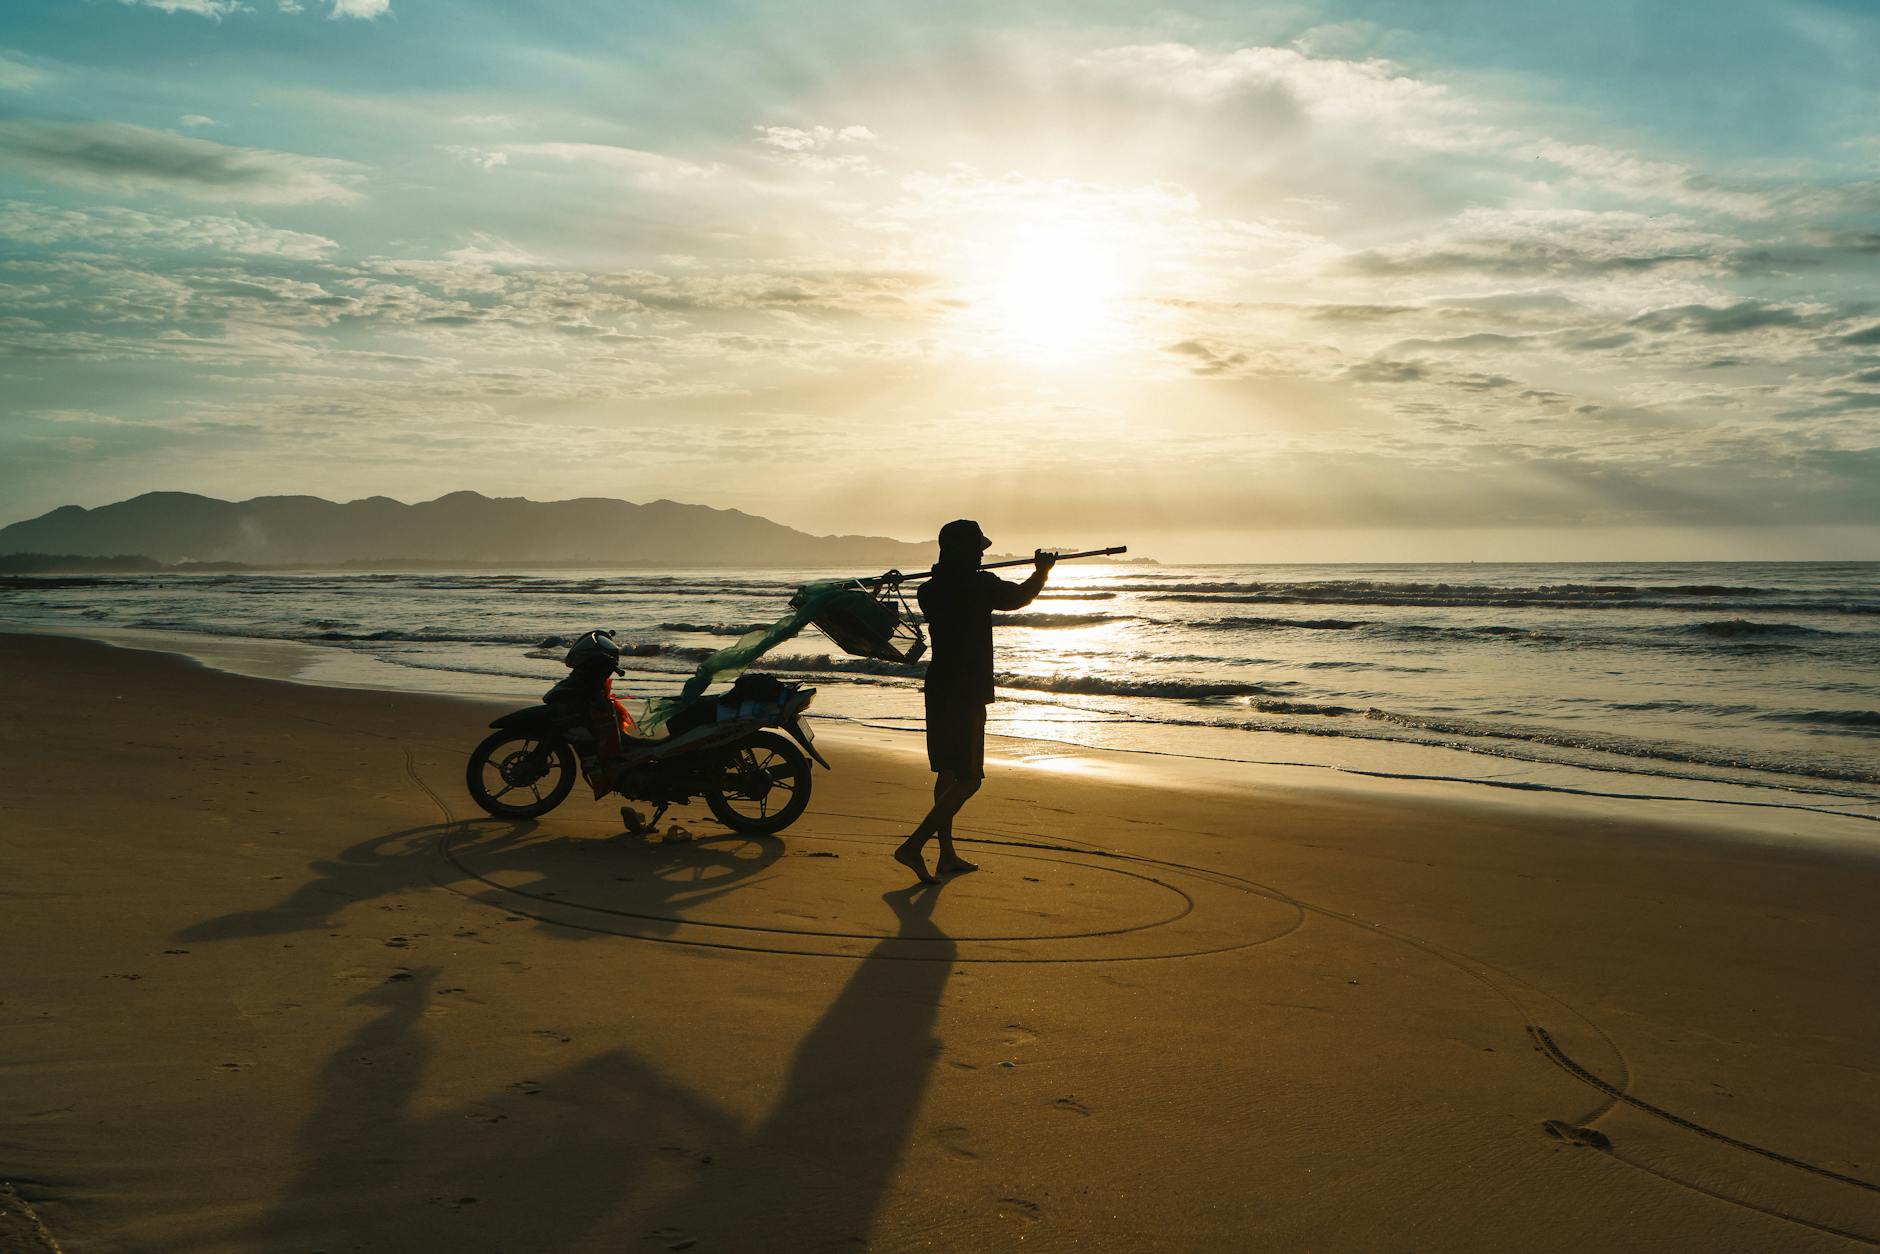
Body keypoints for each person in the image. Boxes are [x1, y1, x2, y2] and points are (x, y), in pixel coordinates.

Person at [894, 520, 1055, 883]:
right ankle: (914, 846)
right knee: (969, 779)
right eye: (978, 549)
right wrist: (1042, 573)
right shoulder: (979, 585)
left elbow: (956, 586)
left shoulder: (929, 590)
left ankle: (945, 855)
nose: (983, 553)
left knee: (947, 773)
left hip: (939, 687)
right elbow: (1018, 599)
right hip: (967, 690)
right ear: (967, 551)